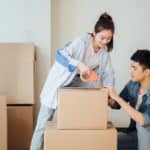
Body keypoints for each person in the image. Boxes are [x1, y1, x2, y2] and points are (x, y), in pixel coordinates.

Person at [30, 12, 115, 150]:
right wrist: (79, 64)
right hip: (60, 83)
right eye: (102, 38)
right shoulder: (81, 42)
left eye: (108, 39)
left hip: (78, 85)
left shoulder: (104, 53)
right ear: (94, 33)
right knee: (43, 124)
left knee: (76, 124)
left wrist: (110, 91)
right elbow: (60, 55)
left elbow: (109, 73)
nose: (105, 42)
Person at [108, 50, 150, 150]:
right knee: (107, 139)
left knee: (108, 142)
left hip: (146, 137)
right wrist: (105, 95)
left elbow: (143, 120)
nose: (130, 71)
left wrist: (116, 97)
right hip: (133, 132)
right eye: (131, 67)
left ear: (147, 72)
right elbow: (116, 104)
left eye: (134, 68)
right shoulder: (132, 85)